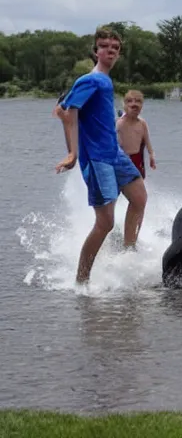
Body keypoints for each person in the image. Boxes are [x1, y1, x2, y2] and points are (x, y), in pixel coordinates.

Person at [53, 27, 147, 285]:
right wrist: (72, 152)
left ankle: (129, 254)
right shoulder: (91, 79)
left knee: (139, 197)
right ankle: (81, 282)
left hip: (114, 154)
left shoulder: (104, 81)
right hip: (97, 159)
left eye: (115, 48)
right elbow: (68, 112)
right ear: (96, 51)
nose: (110, 51)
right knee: (105, 223)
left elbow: (61, 111)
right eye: (105, 46)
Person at [117, 90, 156, 179]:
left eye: (138, 103)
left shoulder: (142, 123)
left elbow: (147, 142)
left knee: (138, 186)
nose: (134, 108)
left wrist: (151, 156)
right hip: (123, 159)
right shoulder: (119, 123)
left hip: (137, 159)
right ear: (125, 106)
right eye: (130, 102)